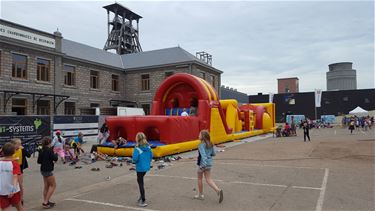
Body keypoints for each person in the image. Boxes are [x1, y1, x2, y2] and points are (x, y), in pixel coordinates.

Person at [194, 130, 223, 203]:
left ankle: (200, 195)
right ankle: (218, 190)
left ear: (203, 137)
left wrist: (202, 165)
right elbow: (213, 154)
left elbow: (203, 156)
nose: (198, 136)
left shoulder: (201, 145)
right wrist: (209, 154)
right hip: (209, 164)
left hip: (203, 164)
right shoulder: (210, 144)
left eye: (199, 135)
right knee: (208, 179)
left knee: (199, 179)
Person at [0, 142, 24, 211]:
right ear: (14, 152)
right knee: (19, 207)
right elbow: (15, 177)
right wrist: (12, 189)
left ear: (2, 152)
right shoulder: (14, 163)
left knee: (5, 208)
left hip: (2, 190)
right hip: (14, 190)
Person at [132, 132, 153, 207]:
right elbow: (151, 156)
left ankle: (143, 200)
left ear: (137, 138)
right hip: (146, 167)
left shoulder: (137, 148)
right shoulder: (148, 147)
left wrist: (134, 161)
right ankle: (142, 196)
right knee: (141, 181)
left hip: (140, 168)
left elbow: (134, 159)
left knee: (140, 182)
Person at [37, 136, 58, 209]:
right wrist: (55, 153)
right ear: (49, 142)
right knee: (53, 185)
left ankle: (47, 201)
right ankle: (45, 202)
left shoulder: (42, 150)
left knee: (46, 186)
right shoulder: (49, 150)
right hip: (48, 170)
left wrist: (47, 159)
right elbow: (55, 158)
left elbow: (39, 161)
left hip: (43, 170)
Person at [10, 138, 30, 205]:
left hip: (19, 169)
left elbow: (29, 155)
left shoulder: (22, 150)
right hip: (11, 169)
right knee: (12, 184)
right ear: (13, 145)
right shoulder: (10, 150)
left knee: (20, 184)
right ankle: (13, 198)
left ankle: (21, 198)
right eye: (18, 144)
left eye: (20, 144)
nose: (20, 145)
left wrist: (24, 149)